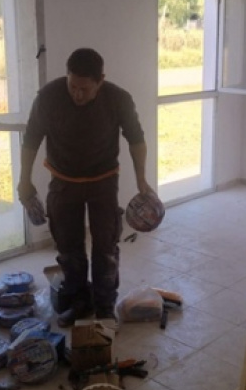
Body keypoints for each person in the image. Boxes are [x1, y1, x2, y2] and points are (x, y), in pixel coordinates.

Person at [18, 48, 152, 328]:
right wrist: (24, 179)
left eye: (85, 89)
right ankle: (79, 303)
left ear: (100, 81)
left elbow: (136, 139)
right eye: (72, 86)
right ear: (66, 76)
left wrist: (141, 179)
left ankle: (104, 307)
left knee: (106, 247)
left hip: (103, 181)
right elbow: (31, 139)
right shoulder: (49, 97)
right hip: (63, 182)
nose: (77, 94)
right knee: (69, 248)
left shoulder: (118, 98)